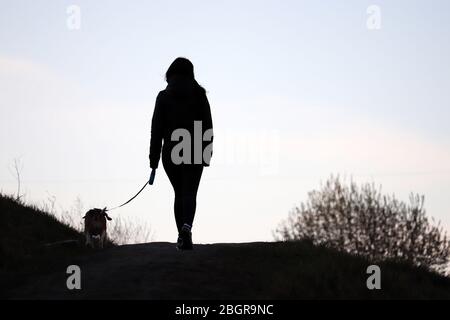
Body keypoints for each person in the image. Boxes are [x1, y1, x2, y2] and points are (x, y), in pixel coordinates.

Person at [149, 57, 213, 250]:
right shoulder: (199, 95)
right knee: (190, 192)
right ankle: (187, 228)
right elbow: (208, 126)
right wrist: (206, 153)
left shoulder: (163, 96)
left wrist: (154, 161)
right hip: (194, 148)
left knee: (179, 193)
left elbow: (156, 130)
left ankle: (181, 235)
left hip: (171, 150)